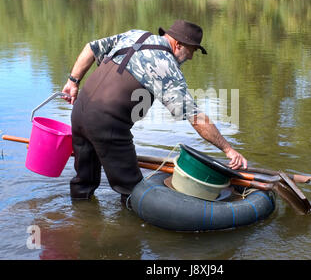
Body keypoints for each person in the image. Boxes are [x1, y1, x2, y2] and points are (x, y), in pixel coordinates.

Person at [61, 20, 247, 204]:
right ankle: (131, 231)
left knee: (84, 181)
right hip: (108, 125)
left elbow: (91, 48)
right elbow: (196, 117)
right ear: (179, 44)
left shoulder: (135, 35)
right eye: (192, 51)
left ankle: (80, 219)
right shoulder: (165, 66)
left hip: (79, 113)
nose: (191, 57)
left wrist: (72, 81)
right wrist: (228, 149)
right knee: (134, 192)